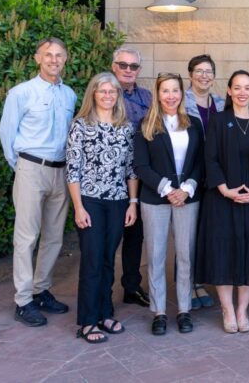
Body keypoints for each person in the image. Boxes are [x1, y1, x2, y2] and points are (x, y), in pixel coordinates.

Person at [0, 37, 77, 326]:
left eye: (59, 55)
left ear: (65, 59)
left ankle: (41, 289)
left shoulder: (69, 95)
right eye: (48, 55)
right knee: (26, 237)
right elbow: (7, 134)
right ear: (37, 58)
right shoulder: (21, 93)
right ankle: (23, 300)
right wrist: (21, 166)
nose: (54, 60)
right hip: (31, 168)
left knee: (54, 236)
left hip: (61, 172)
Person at [195, 71, 249, 334]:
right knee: (224, 253)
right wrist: (225, 190)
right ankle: (227, 309)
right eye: (237, 87)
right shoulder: (218, 120)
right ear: (228, 91)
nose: (242, 92)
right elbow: (211, 159)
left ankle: (242, 310)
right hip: (222, 200)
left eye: (247, 87)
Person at [66, 72, 138, 343]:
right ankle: (86, 320)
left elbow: (131, 169)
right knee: (92, 259)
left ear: (118, 95)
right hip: (91, 201)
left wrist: (132, 203)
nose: (108, 96)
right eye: (102, 91)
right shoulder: (81, 125)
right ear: (93, 94)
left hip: (118, 201)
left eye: (112, 92)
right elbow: (73, 170)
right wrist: (78, 207)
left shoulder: (126, 126)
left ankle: (105, 313)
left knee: (109, 258)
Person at [134, 73, 204, 335]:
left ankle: (184, 309)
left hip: (188, 197)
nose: (171, 96)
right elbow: (140, 165)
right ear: (157, 94)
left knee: (186, 255)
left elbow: (200, 162)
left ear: (182, 93)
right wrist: (167, 189)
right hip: (155, 198)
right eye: (165, 91)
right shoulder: (146, 125)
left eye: (175, 90)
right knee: (156, 256)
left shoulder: (194, 124)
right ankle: (159, 311)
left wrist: (186, 189)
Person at [111, 46, 152, 309]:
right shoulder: (103, 92)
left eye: (133, 66)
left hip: (140, 175)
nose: (128, 70)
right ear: (113, 66)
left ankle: (131, 286)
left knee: (135, 236)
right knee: (110, 236)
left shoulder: (148, 97)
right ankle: (103, 291)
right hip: (110, 176)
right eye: (123, 65)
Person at [183, 54, 225, 310]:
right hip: (189, 173)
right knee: (186, 235)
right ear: (190, 74)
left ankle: (199, 281)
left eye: (209, 71)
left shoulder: (220, 103)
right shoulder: (180, 102)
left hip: (213, 177)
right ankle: (187, 286)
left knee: (203, 232)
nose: (204, 76)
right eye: (199, 71)